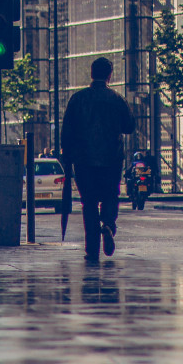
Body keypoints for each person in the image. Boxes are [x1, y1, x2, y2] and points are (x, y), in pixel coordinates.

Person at [61, 57, 136, 263]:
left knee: (89, 203)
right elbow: (129, 126)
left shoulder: (78, 99)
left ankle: (91, 249)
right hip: (112, 158)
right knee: (111, 194)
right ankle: (108, 225)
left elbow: (67, 130)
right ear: (110, 75)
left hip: (84, 159)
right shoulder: (117, 99)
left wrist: (67, 155)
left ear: (91, 73)